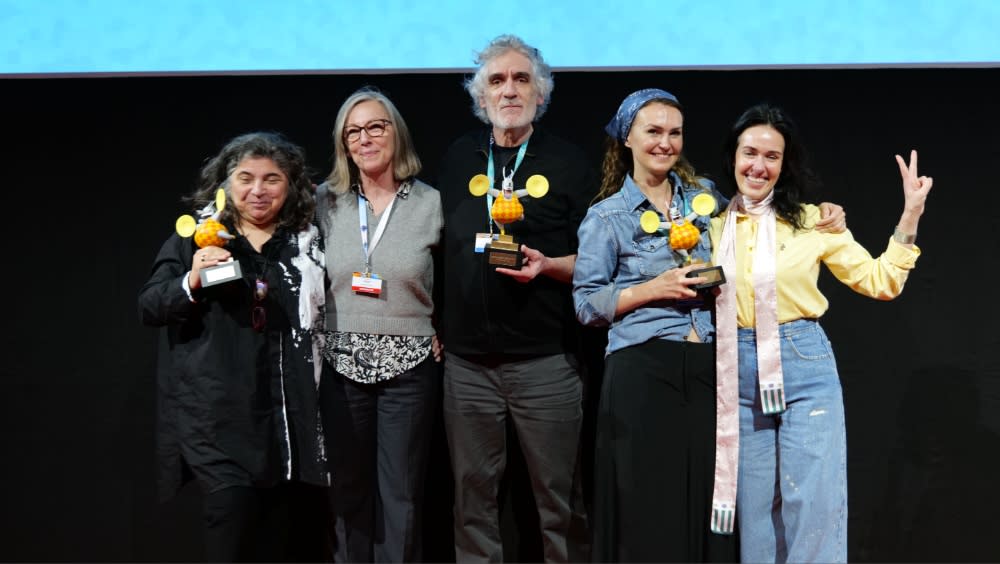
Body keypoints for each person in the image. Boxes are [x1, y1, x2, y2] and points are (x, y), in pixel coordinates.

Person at [572, 89, 847, 562]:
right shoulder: (607, 216)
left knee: (712, 504)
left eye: (674, 132)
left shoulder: (705, 197)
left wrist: (821, 213)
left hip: (710, 369)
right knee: (649, 502)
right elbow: (585, 303)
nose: (665, 143)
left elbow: (763, 211)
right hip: (643, 367)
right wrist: (650, 288)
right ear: (626, 140)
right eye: (653, 132)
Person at [709, 103, 932, 563]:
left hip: (803, 364)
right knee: (754, 513)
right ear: (733, 156)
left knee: (812, 503)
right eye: (750, 152)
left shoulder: (813, 220)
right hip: (736, 370)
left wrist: (909, 216)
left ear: (784, 165)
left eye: (772, 157)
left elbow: (880, 281)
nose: (759, 165)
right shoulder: (705, 224)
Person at [437, 34, 596, 562]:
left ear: (541, 95)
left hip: (545, 364)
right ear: (481, 98)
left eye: (521, 79)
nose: (510, 90)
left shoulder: (570, 163)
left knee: (559, 502)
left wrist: (550, 267)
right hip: (467, 367)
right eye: (498, 81)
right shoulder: (459, 159)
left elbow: (598, 265)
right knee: (473, 502)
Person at [138, 132, 329, 561]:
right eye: (245, 178)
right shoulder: (198, 240)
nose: (257, 190)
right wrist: (190, 280)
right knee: (231, 532)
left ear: (291, 186)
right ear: (225, 184)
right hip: (218, 423)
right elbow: (149, 305)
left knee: (281, 542)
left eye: (271, 179)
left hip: (284, 422)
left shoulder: (306, 243)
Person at [315, 86, 443, 563]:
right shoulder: (323, 201)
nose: (365, 139)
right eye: (354, 132)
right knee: (347, 493)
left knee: (402, 494)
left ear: (395, 134)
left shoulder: (431, 202)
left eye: (375, 127)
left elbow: (450, 276)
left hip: (410, 364)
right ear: (343, 144)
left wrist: (442, 327)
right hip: (340, 361)